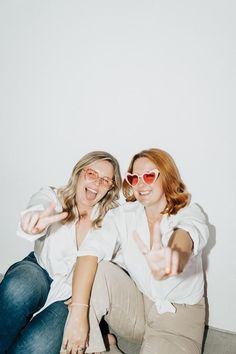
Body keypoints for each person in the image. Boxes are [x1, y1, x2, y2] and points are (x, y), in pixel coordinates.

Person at [62, 148, 209, 354]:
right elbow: (90, 250)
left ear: (167, 177)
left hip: (178, 323)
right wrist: (79, 310)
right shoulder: (123, 215)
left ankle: (108, 347)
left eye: (149, 176)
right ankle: (89, 346)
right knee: (100, 270)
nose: (141, 184)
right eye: (134, 178)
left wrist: (172, 257)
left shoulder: (189, 211)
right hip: (139, 309)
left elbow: (186, 234)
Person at [0, 151, 122, 354]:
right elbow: (38, 207)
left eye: (105, 180)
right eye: (92, 173)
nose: (97, 183)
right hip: (39, 269)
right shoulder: (52, 198)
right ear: (79, 173)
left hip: (72, 295)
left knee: (37, 345)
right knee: (18, 288)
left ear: (110, 188)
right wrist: (33, 222)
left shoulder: (112, 219)